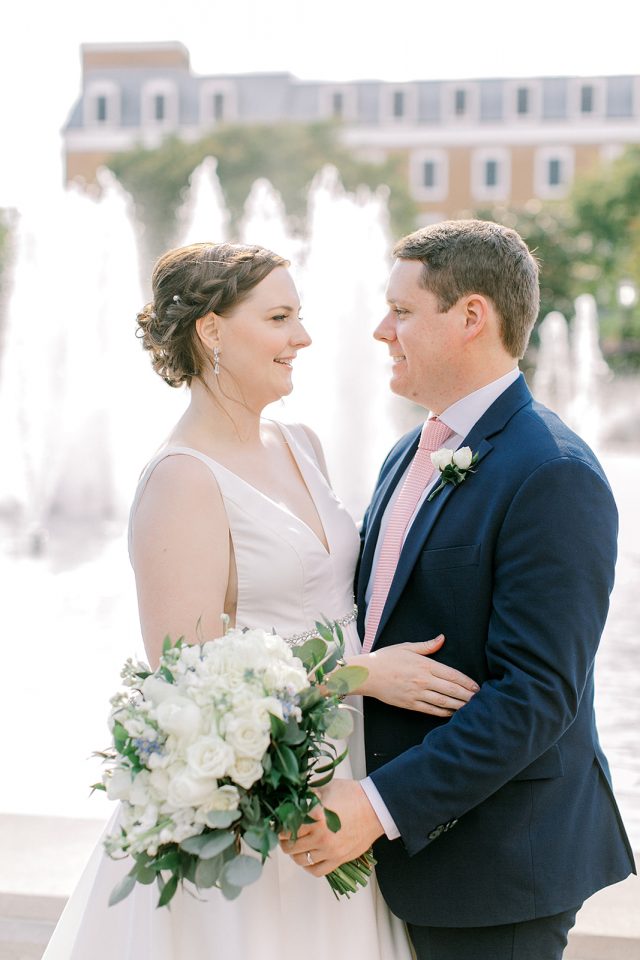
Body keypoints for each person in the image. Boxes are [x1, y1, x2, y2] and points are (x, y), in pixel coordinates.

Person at [41, 241, 482, 960]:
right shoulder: (182, 480)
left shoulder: (301, 442)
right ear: (211, 330)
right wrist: (359, 675)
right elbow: (188, 684)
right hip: (254, 803)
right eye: (279, 318)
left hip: (343, 780)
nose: (302, 337)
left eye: (299, 316)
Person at [283, 220, 636, 960]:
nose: (382, 330)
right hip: (399, 861)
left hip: (497, 869)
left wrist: (376, 807)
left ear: (472, 316)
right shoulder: (408, 453)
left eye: (403, 311)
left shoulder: (553, 473)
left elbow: (536, 695)